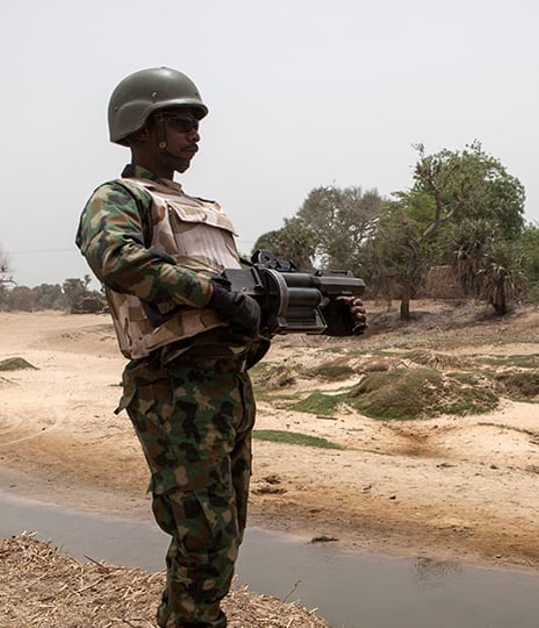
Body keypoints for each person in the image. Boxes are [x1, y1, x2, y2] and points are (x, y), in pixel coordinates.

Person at [75, 67, 365, 628]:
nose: (196, 133)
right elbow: (117, 259)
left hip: (227, 385)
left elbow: (247, 300)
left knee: (224, 532)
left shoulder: (207, 211)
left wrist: (324, 317)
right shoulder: (119, 197)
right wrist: (211, 290)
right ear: (142, 128)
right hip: (176, 387)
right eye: (182, 122)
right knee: (202, 536)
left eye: (196, 123)